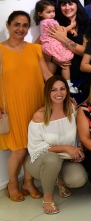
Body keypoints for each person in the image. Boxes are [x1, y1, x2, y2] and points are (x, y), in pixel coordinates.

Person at [0, 11, 53, 202]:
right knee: (19, 149)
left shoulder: (35, 49)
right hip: (12, 107)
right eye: (16, 24)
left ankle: (28, 182)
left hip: (35, 104)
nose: (20, 29)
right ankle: (12, 183)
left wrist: (61, 93)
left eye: (24, 25)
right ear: (8, 25)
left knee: (33, 147)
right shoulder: (0, 50)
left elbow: (46, 75)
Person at [25, 76, 87, 214]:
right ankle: (48, 199)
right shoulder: (39, 116)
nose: (59, 93)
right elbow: (36, 148)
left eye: (62, 89)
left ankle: (60, 180)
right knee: (53, 159)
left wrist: (79, 150)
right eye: (54, 90)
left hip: (65, 159)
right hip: (40, 162)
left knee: (78, 179)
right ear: (47, 92)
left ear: (67, 91)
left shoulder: (72, 109)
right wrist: (66, 148)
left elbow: (79, 136)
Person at [50, 0, 91, 102]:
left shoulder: (85, 23)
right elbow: (38, 48)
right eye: (63, 4)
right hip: (62, 80)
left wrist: (64, 39)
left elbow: (86, 52)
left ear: (77, 5)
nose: (67, 8)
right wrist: (53, 59)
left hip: (83, 77)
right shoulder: (55, 24)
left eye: (70, 4)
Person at [34, 0, 76, 92]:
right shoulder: (49, 22)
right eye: (49, 12)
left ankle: (47, 86)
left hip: (47, 46)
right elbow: (61, 31)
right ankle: (68, 84)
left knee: (50, 68)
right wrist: (72, 26)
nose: (52, 14)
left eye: (53, 11)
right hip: (53, 45)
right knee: (66, 63)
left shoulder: (43, 22)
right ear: (40, 13)